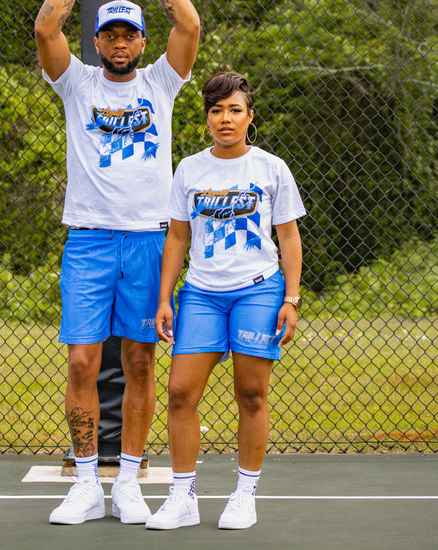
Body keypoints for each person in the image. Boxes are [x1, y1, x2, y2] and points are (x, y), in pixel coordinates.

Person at [35, 0, 200, 526]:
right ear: (99, 42)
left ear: (140, 41)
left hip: (148, 243)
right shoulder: (76, 84)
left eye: (131, 34)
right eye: (112, 35)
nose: (122, 43)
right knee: (81, 362)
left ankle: (129, 480)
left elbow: (190, 25)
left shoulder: (161, 83)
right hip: (89, 241)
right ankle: (85, 482)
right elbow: (45, 26)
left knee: (138, 362)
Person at [146, 70, 305, 531]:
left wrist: (290, 299)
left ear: (249, 117)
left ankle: (244, 494)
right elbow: (177, 237)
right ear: (207, 119)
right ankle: (182, 496)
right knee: (180, 392)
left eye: (234, 110)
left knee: (251, 393)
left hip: (259, 290)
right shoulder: (190, 169)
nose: (225, 119)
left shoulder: (271, 168)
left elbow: (289, 237)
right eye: (216, 110)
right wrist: (164, 299)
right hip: (201, 294)